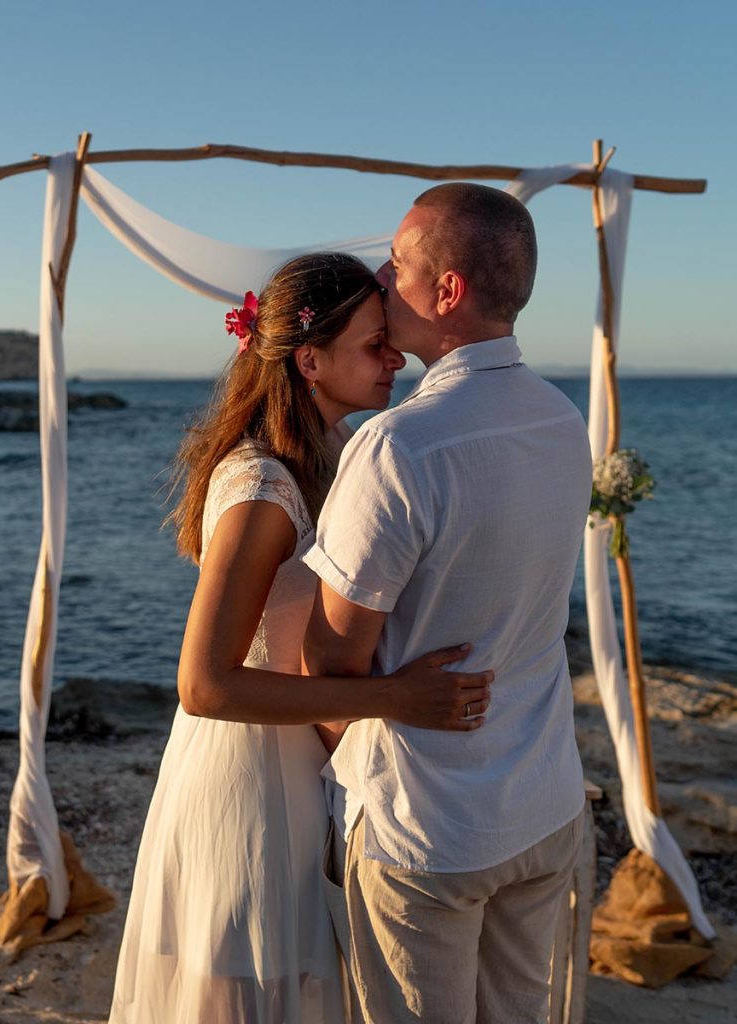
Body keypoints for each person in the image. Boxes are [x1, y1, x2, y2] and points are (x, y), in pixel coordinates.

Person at [108, 252, 493, 1024]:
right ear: (309, 359)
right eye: (373, 344)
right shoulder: (262, 489)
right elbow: (204, 685)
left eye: (390, 341)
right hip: (249, 779)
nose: (394, 360)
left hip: (305, 763)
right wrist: (397, 697)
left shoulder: (337, 456)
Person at [303, 186, 594, 1024]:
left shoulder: (398, 445)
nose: (382, 281)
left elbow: (331, 665)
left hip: (429, 826)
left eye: (397, 265)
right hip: (541, 802)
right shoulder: (561, 420)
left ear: (446, 292)